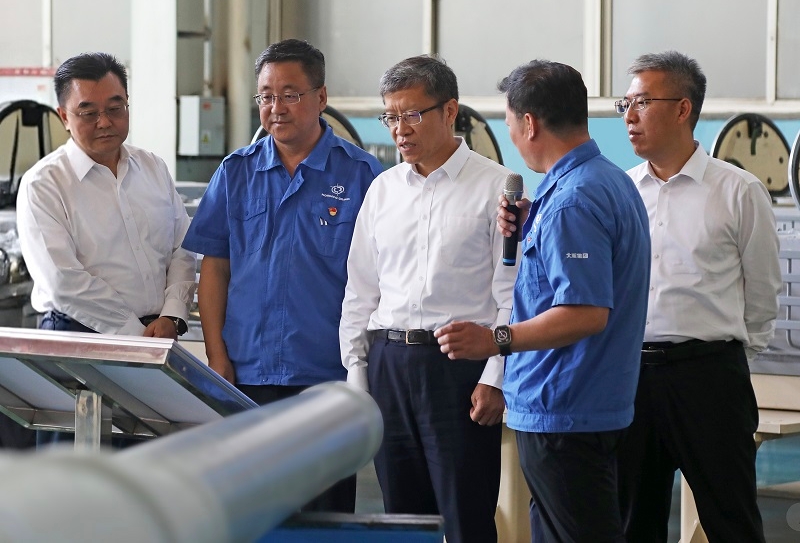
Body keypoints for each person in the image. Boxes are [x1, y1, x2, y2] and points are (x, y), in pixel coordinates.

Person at [436, 59, 651, 542]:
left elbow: (585, 313)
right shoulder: (605, 180)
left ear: (530, 123)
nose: (512, 136)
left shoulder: (574, 200)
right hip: (586, 406)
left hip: (565, 408)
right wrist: (537, 220)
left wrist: (494, 339)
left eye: (510, 124)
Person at [181, 39, 382, 513]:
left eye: (290, 95)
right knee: (253, 510)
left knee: (326, 513)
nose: (276, 108)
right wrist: (216, 354)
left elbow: (380, 279)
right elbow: (215, 268)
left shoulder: (363, 176)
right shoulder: (236, 172)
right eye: (266, 96)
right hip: (248, 372)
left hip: (329, 375)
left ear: (321, 97)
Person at [339, 55, 517, 543]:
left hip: (457, 369)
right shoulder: (382, 190)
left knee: (466, 520)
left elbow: (512, 294)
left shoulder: (493, 187)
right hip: (389, 365)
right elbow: (360, 290)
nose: (400, 129)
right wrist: (357, 374)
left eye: (412, 114)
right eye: (391, 116)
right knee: (402, 521)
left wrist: (495, 377)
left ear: (449, 111)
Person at [614, 51, 781, 543]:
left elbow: (763, 292)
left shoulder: (739, 191)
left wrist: (725, 359)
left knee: (731, 520)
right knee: (631, 523)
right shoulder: (621, 191)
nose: (629, 116)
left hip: (709, 380)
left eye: (642, 102)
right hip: (630, 379)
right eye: (625, 103)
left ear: (683, 109)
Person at [17, 52, 195, 341]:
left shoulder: (152, 167)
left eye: (115, 108)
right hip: (79, 335)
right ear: (64, 117)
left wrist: (173, 314)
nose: (104, 122)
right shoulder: (44, 184)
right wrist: (137, 334)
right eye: (89, 113)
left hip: (159, 331)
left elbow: (183, 246)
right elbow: (62, 280)